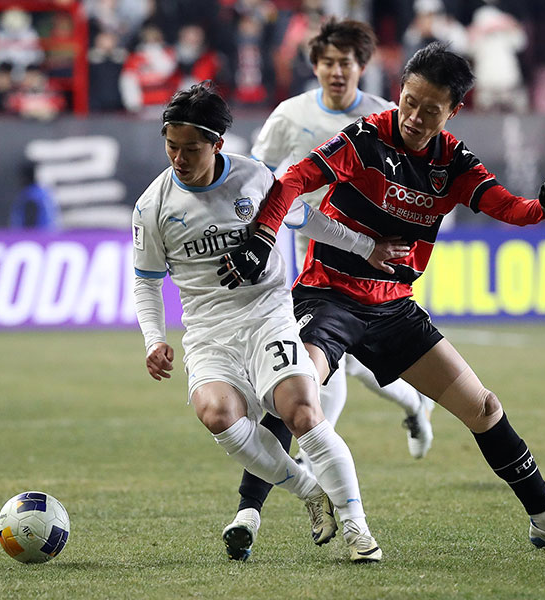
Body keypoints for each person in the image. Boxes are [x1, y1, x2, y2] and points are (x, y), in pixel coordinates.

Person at [218, 43, 545, 551]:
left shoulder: (452, 162)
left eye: (429, 110)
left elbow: (504, 205)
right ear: (399, 91)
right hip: (327, 298)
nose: (412, 116)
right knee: (294, 392)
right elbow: (292, 180)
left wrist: (539, 208)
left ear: (453, 112)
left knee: (484, 407)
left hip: (392, 306)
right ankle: (250, 514)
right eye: (408, 101)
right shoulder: (366, 136)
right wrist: (261, 236)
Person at [132, 82, 406, 563]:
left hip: (266, 317)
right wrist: (155, 339)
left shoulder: (255, 179)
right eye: (171, 146)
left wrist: (367, 248)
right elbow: (146, 282)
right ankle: (308, 491)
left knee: (302, 410)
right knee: (217, 414)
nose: (178, 158)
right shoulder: (153, 206)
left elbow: (308, 220)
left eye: (190, 149)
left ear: (217, 143)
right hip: (209, 331)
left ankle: (357, 528)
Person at [221, 17, 438, 562]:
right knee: (302, 387)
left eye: (347, 62)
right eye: (327, 62)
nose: (336, 71)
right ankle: (253, 513)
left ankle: (410, 410)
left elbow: (424, 186)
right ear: (314, 65)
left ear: (362, 67)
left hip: (373, 272)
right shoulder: (290, 117)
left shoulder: (387, 119)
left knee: (312, 392)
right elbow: (263, 183)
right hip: (313, 270)